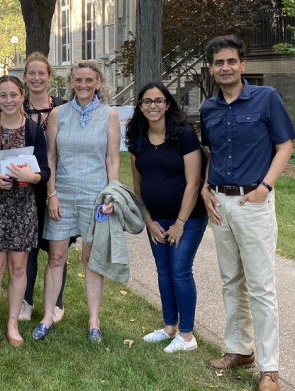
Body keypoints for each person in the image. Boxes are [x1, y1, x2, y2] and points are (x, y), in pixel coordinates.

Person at [199, 36, 295, 391]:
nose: (225, 67)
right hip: (220, 204)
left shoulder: (266, 98)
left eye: (231, 61)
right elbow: (212, 152)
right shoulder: (208, 108)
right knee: (231, 282)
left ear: (242, 64)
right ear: (211, 68)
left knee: (260, 287)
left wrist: (265, 188)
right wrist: (206, 188)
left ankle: (269, 368)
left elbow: (284, 146)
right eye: (218, 62)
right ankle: (239, 349)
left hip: (253, 202)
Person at [33, 60, 121, 343]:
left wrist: (111, 196)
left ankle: (94, 322)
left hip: (96, 196)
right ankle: (48, 316)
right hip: (63, 195)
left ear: (98, 83)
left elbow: (113, 159)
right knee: (56, 257)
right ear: (71, 82)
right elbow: (50, 158)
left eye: (89, 80)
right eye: (78, 80)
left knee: (91, 260)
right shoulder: (58, 113)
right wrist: (51, 194)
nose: (83, 85)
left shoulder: (109, 115)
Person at [0, 75, 50, 350]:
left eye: (14, 95)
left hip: (24, 206)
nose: (9, 100)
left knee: (18, 266)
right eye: (3, 95)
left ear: (21, 95)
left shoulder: (35, 130)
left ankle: (12, 324)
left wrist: (33, 176)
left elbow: (45, 171)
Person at [126, 81, 208, 353]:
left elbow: (194, 182)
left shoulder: (183, 134)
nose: (153, 106)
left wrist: (180, 223)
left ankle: (187, 336)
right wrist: (148, 219)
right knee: (163, 272)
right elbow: (139, 185)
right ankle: (170, 327)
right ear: (140, 106)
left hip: (188, 218)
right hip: (156, 219)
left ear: (168, 103)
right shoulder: (137, 135)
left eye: (158, 100)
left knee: (180, 271)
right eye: (147, 101)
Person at [18, 52, 70, 323]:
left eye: (42, 73)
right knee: (28, 246)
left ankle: (57, 301)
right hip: (25, 187)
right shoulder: (17, 106)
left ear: (50, 77)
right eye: (31, 73)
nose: (36, 78)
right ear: (25, 78)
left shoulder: (63, 107)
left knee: (57, 246)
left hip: (59, 184)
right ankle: (25, 300)